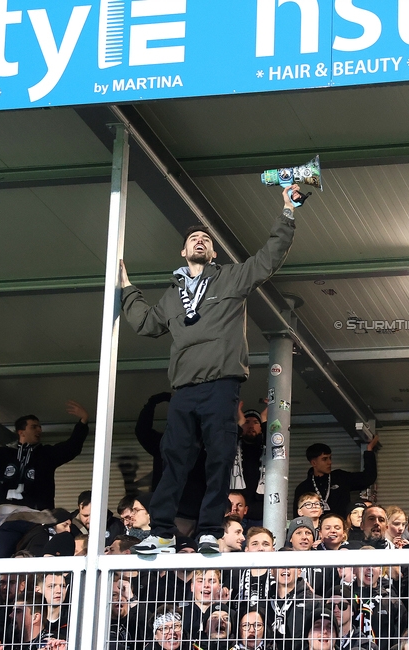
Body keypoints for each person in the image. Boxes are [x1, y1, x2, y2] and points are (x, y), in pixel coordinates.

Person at [120, 185, 301, 554]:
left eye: (205, 239)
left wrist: (287, 210)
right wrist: (126, 287)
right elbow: (146, 324)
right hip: (184, 389)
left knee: (219, 458)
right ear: (183, 251)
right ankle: (164, 532)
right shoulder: (171, 296)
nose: (199, 241)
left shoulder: (231, 278)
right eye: (193, 239)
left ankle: (208, 530)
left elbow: (269, 258)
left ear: (213, 252)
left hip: (221, 385)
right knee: (173, 461)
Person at [0, 401, 90, 511]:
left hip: (38, 520)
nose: (39, 430)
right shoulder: (4, 455)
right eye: (34, 427)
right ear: (21, 432)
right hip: (7, 520)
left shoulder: (46, 454)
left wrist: (83, 422)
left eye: (39, 427)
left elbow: (72, 447)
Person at [135, 391, 206, 537]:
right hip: (166, 510)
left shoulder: (204, 444)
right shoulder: (163, 443)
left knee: (186, 551)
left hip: (192, 512)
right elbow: (142, 431)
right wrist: (153, 402)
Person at [294, 440, 379, 519]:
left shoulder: (340, 478)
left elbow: (368, 478)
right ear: (313, 463)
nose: (329, 462)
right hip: (314, 533)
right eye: (324, 459)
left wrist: (369, 450)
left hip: (341, 531)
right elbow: (297, 516)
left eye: (330, 458)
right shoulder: (303, 488)